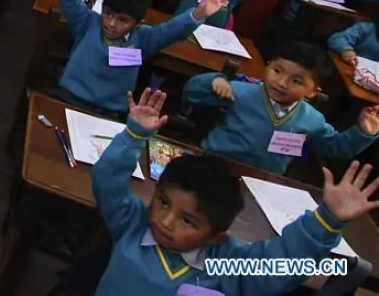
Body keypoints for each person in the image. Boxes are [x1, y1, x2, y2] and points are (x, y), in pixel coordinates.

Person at [92, 89, 379, 295]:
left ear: (216, 237)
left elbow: (281, 266)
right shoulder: (133, 223)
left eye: (188, 220)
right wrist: (133, 136)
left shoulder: (225, 266)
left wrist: (327, 220)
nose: (165, 221)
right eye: (163, 202)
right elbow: (107, 181)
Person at [58, 0, 228, 113]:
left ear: (138, 24)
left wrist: (199, 13)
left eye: (123, 20)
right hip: (70, 97)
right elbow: (71, 3)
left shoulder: (143, 38)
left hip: (109, 111)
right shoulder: (89, 23)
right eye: (108, 14)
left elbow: (172, 31)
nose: (111, 23)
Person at [183, 41, 379, 174]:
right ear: (267, 66)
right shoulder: (241, 92)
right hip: (215, 165)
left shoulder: (313, 119)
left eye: (297, 81)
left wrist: (363, 132)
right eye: (277, 71)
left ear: (312, 91)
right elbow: (191, 93)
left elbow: (336, 147)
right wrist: (214, 80)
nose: (282, 83)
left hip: (263, 180)